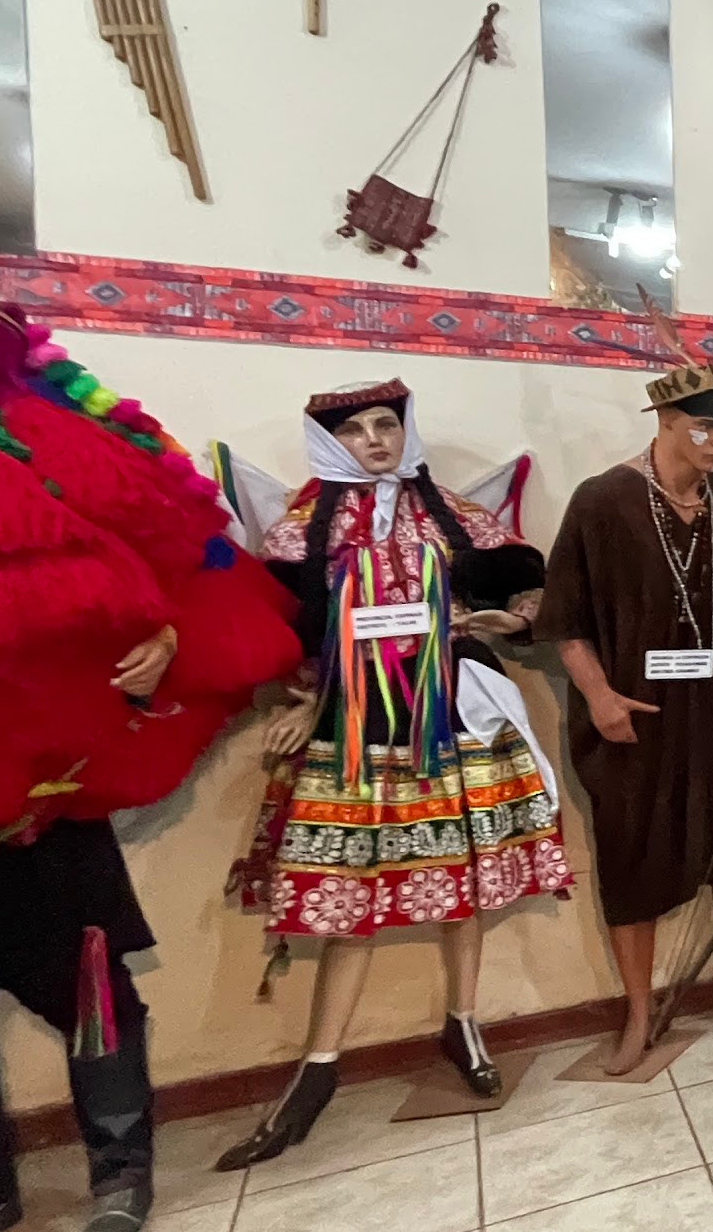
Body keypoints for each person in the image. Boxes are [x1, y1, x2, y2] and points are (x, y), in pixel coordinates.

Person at [0, 299, 295, 1232]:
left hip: (44, 817)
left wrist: (165, 643)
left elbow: (192, 559)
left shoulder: (62, 452)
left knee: (95, 993)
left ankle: (120, 1172)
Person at [219, 379, 570, 1170]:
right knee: (353, 891)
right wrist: (305, 696)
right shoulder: (306, 527)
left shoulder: (445, 509)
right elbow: (287, 620)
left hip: (449, 716)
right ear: (327, 442)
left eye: (387, 424)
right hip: (357, 727)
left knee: (463, 881)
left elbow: (512, 572)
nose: (375, 439)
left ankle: (465, 1019)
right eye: (356, 429)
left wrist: (515, 612)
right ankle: (320, 1065)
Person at [541, 301, 713, 1073]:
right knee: (632, 861)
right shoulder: (602, 500)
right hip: (634, 720)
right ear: (666, 421)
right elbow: (564, 620)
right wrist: (600, 697)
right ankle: (639, 1013)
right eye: (704, 430)